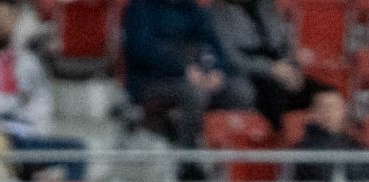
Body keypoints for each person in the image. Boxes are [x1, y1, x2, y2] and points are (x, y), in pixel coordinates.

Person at [0, 0, 88, 179]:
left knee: (76, 150)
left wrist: (17, 108)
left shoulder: (27, 59)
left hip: (29, 134)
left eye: (5, 18)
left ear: (14, 19)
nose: (0, 23)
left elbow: (42, 102)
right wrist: (18, 100)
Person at [122, 0, 246, 145]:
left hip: (198, 74)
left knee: (240, 93)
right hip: (152, 80)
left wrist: (216, 70)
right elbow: (141, 50)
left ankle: (230, 149)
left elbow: (213, 45)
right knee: (194, 94)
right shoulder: (141, 8)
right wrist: (183, 70)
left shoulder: (193, 9)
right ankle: (188, 152)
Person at [209, 0, 314, 129]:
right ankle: (279, 135)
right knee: (271, 94)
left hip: (279, 67)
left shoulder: (266, 6)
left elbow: (282, 45)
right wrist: (270, 68)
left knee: (318, 93)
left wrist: (292, 69)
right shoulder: (219, 12)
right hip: (244, 72)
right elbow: (232, 58)